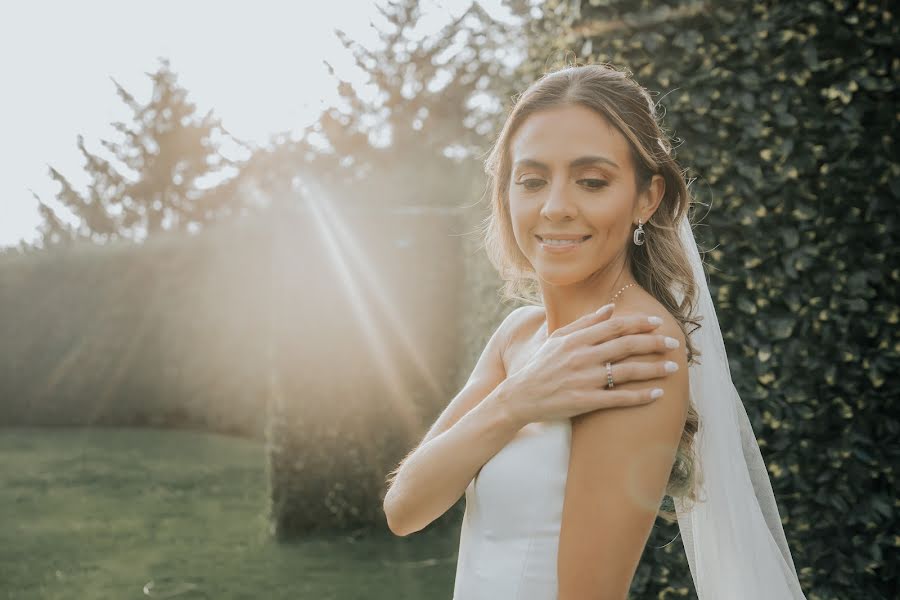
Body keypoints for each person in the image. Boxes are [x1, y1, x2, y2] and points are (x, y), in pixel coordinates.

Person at [383, 63, 806, 599]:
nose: (556, 207)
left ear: (647, 198)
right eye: (532, 180)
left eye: (592, 181)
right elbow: (404, 508)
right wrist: (515, 401)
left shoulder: (635, 346)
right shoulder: (520, 334)